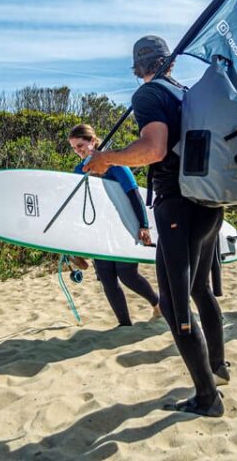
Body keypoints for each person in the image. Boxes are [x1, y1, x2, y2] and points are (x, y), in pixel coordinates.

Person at [83, 35, 227, 417]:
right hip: (210, 200)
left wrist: (107, 159)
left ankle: (208, 398)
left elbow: (154, 149)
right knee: (200, 288)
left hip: (178, 206)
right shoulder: (187, 94)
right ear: (170, 61)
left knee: (175, 304)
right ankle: (218, 366)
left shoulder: (148, 96)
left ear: (137, 67)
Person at [66, 124, 161, 326]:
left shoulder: (115, 164)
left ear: (93, 141)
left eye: (81, 145)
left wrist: (143, 225)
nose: (78, 151)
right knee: (107, 278)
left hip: (123, 227)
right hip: (99, 231)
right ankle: (124, 324)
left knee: (127, 275)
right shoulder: (79, 170)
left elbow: (134, 195)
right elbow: (76, 205)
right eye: (74, 148)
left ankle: (157, 304)